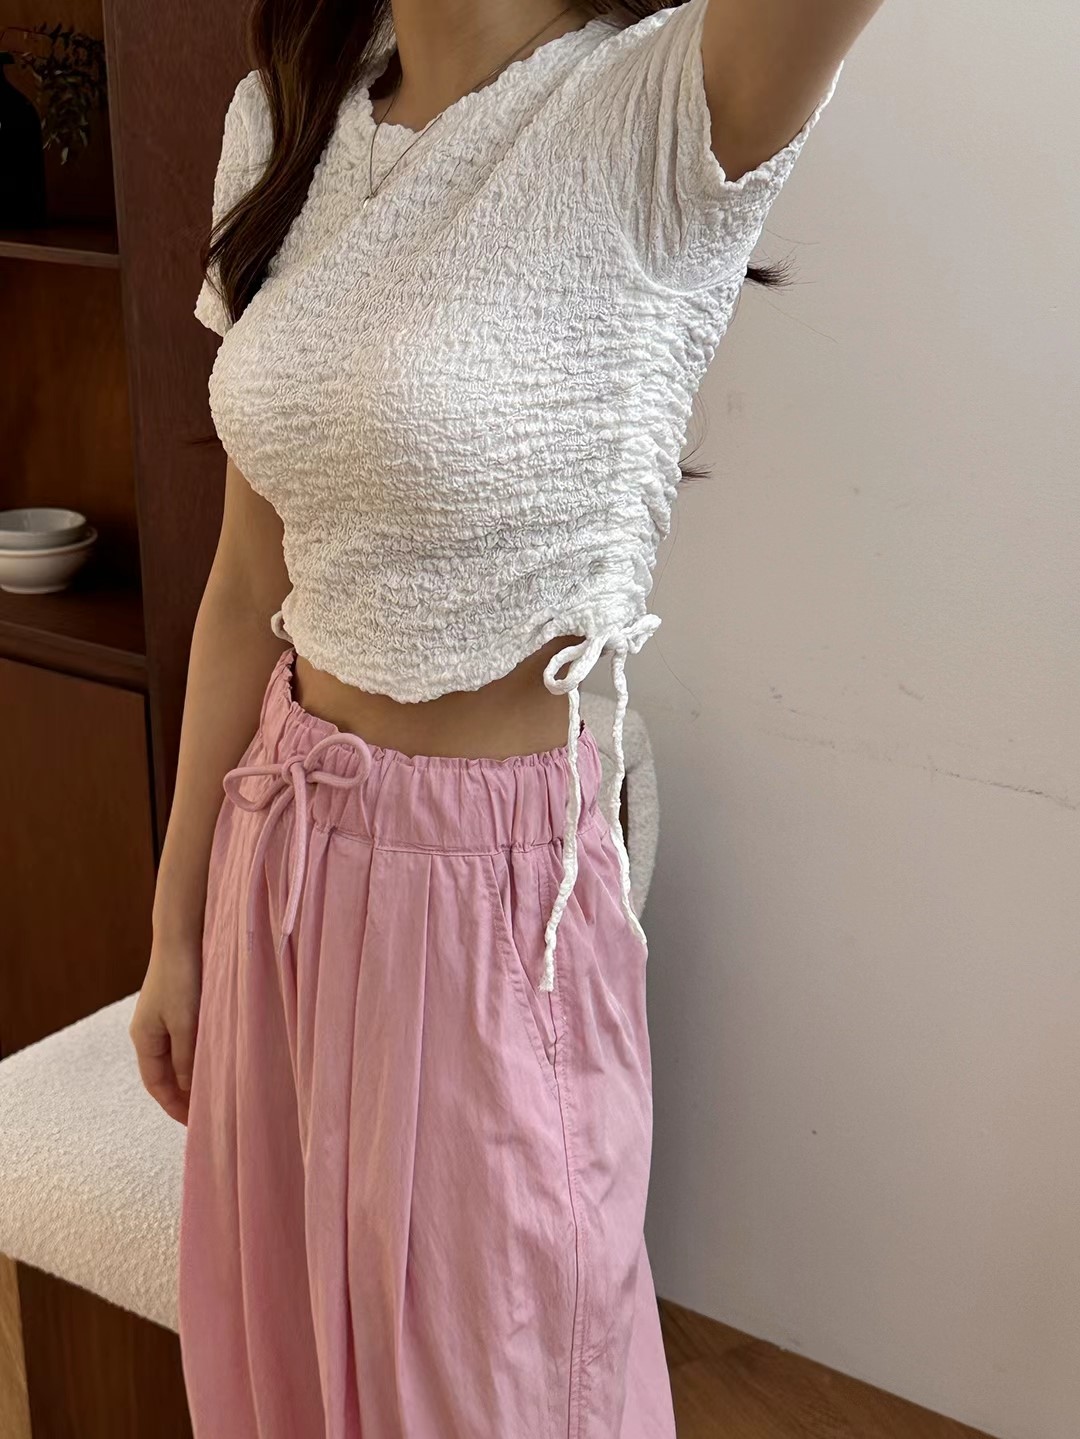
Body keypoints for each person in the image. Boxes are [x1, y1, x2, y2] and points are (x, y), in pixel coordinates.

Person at [129, 0, 882, 1433]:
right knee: (288, 1382)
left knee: (504, 1392)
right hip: (276, 856)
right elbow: (245, 582)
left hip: (488, 912)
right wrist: (176, 925)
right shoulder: (286, 111)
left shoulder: (665, 107)